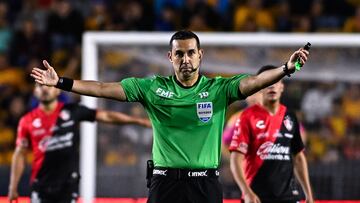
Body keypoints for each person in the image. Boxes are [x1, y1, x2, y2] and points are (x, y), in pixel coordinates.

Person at [30, 30, 310, 203]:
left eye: (191, 53)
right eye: (179, 54)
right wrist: (61, 83)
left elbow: (254, 82)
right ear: (170, 57)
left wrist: (286, 67)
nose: (185, 59)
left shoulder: (218, 89)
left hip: (205, 183)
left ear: (200, 55)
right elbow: (103, 88)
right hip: (165, 183)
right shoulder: (152, 88)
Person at [8, 83, 151, 203]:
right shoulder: (27, 121)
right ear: (35, 91)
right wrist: (13, 187)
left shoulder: (72, 111)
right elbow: (19, 154)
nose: (45, 89)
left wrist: (138, 120)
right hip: (41, 185)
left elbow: (106, 115)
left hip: (68, 184)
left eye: (49, 86)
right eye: (40, 86)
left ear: (57, 90)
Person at [229, 65, 314, 203]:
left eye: (276, 82)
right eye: (267, 83)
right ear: (259, 87)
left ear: (282, 87)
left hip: (289, 197)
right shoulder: (247, 117)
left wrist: (308, 194)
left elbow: (298, 157)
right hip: (257, 197)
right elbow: (235, 159)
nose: (272, 86)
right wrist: (246, 192)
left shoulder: (290, 116)